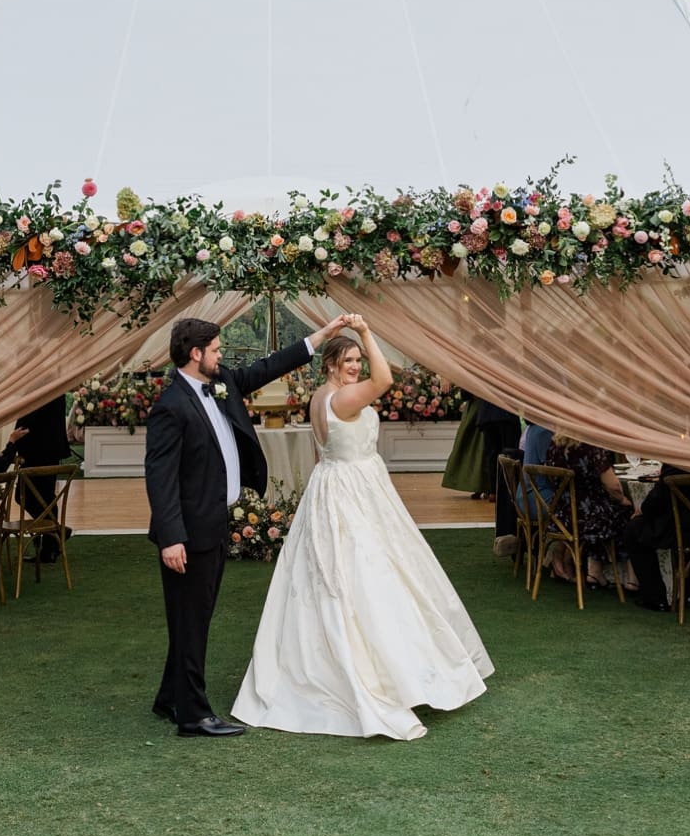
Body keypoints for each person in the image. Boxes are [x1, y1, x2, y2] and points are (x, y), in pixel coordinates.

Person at [231, 320, 494, 741]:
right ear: (332, 364)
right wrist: (369, 334)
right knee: (366, 576)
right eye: (349, 360)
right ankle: (381, 671)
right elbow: (385, 378)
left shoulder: (320, 397)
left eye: (358, 359)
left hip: (337, 484)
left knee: (344, 574)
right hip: (353, 489)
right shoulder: (344, 398)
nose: (356, 366)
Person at [145, 312, 354, 738]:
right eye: (217, 350)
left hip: (214, 523)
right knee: (189, 619)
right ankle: (193, 715)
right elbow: (159, 477)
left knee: (195, 618)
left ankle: (171, 697)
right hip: (188, 532)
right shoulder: (170, 408)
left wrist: (320, 336)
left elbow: (267, 367)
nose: (222, 356)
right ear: (195, 354)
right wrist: (171, 538)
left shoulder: (220, 384)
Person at [622, 464, 690, 612]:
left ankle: (655, 597)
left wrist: (643, 509)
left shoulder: (676, 463)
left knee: (633, 529)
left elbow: (658, 499)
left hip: (683, 529)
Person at [543, 434, 639, 588]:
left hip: (561, 517)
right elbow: (612, 485)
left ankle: (595, 572)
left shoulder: (555, 445)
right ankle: (632, 578)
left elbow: (551, 479)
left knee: (608, 514)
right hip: (589, 519)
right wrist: (622, 499)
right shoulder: (592, 446)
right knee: (628, 514)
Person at [6, 394, 76, 566]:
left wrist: (15, 442)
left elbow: (28, 419)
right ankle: (52, 540)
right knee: (46, 497)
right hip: (49, 449)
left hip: (37, 450)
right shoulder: (54, 389)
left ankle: (53, 536)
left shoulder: (40, 390)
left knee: (30, 496)